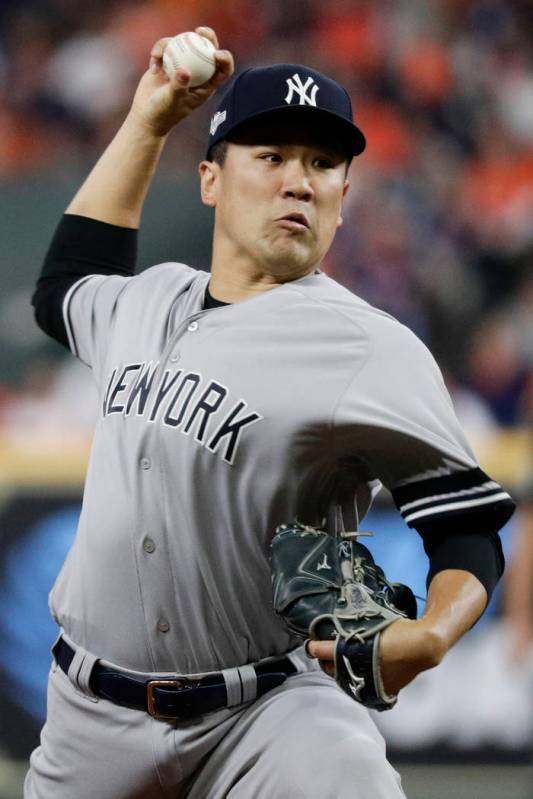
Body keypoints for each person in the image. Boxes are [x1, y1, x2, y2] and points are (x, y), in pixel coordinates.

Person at [26, 27, 515, 799]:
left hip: (270, 713)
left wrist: (432, 631)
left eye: (321, 164)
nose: (299, 182)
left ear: (342, 199)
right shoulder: (147, 297)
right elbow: (65, 285)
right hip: (90, 720)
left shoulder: (368, 347)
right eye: (271, 156)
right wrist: (148, 120)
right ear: (210, 181)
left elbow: (465, 523)